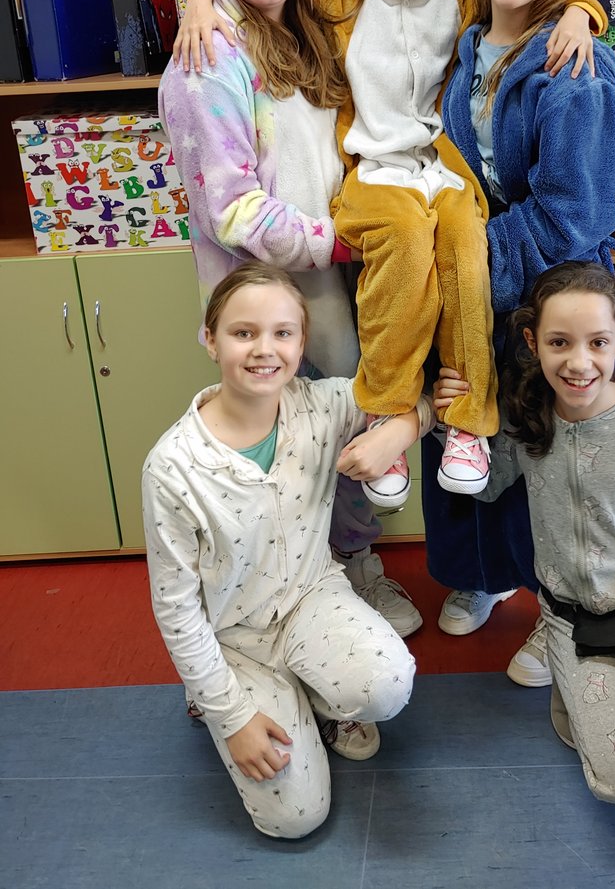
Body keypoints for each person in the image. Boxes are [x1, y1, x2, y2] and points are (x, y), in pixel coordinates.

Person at [174, 0, 606, 646]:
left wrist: (583, 9)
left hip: (436, 185)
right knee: (326, 395)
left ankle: (464, 432)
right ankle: (378, 449)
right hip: (338, 219)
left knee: (463, 260)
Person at [160, 0, 422, 638]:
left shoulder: (304, 29)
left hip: (335, 281)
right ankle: (294, 595)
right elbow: (232, 207)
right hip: (269, 294)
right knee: (287, 449)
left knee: (344, 427)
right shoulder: (209, 58)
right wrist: (337, 240)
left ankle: (351, 564)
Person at [423, 0, 615, 682]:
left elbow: (575, 214)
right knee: (471, 433)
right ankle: (485, 574)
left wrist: (465, 253)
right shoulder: (468, 41)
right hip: (474, 279)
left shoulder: (575, 62)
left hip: (550, 289)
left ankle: (565, 612)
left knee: (554, 461)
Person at [143, 262, 433, 838]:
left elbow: (417, 399)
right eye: (243, 332)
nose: (264, 349)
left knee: (387, 683)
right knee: (295, 819)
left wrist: (398, 431)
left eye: (282, 333)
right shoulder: (172, 468)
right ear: (210, 339)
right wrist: (233, 717)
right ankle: (222, 696)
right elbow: (176, 610)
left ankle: (316, 699)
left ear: (302, 344)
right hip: (232, 639)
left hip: (311, 600)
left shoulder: (322, 406)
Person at [437, 261, 615, 808]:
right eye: (559, 342)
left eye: (597, 342)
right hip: (571, 622)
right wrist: (453, 424)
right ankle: (577, 698)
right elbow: (484, 488)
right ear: (533, 343)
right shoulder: (525, 421)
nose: (578, 363)